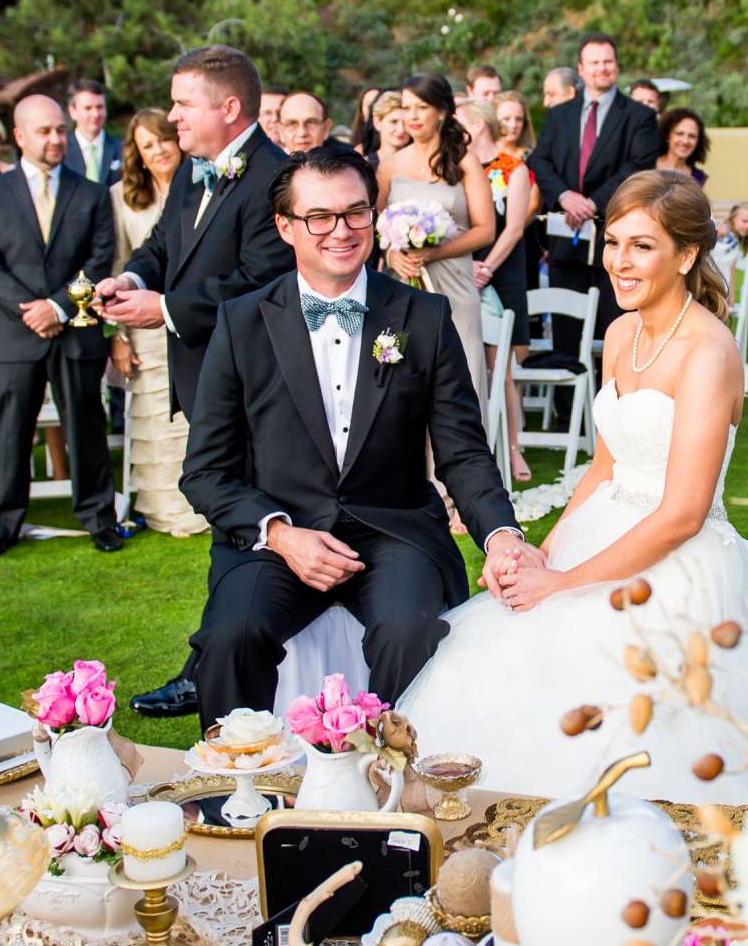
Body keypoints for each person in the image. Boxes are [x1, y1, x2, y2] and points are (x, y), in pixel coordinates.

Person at [401, 172, 748, 803]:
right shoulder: (622, 332)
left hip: (677, 562)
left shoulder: (707, 354)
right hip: (598, 528)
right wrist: (543, 552)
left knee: (632, 718)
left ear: (686, 255)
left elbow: (683, 513)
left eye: (641, 245)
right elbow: (604, 465)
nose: (619, 261)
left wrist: (560, 584)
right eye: (613, 243)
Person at [178, 140, 529, 724]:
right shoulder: (241, 323)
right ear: (286, 227)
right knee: (228, 639)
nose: (340, 230)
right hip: (277, 541)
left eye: (355, 212)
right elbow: (206, 473)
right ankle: (236, 799)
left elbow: (464, 452)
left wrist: (500, 535)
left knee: (411, 632)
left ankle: (396, 796)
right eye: (318, 216)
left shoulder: (424, 318)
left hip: (394, 532)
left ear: (373, 214)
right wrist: (282, 534)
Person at [95, 45, 297, 718]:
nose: (173, 115)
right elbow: (163, 246)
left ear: (228, 106)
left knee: (237, 514)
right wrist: (132, 278)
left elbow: (262, 282)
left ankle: (209, 666)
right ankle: (214, 658)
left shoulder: (277, 177)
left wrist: (167, 309)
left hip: (255, 378)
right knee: (229, 514)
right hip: (201, 373)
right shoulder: (192, 170)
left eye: (183, 102)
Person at [0, 94, 125, 559]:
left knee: (86, 424)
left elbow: (99, 257)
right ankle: (3, 524)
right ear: (18, 136)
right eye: (45, 131)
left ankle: (100, 517)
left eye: (60, 129)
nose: (56, 138)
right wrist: (29, 309)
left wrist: (57, 307)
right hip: (12, 330)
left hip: (74, 326)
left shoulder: (91, 192)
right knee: (11, 429)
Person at [530, 32, 662, 360]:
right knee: (565, 339)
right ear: (581, 68)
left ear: (616, 66)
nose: (601, 68)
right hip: (566, 240)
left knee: (617, 335)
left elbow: (638, 166)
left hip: (616, 243)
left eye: (607, 62)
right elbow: (540, 160)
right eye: (594, 63)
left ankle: (614, 408)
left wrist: (592, 203)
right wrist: (564, 196)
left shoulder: (639, 117)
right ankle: (567, 413)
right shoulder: (559, 114)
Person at [109, 108, 207, 537]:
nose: (158, 150)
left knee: (197, 414)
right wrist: (118, 336)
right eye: (147, 145)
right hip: (143, 328)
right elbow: (120, 264)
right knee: (157, 420)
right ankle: (166, 507)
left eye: (163, 139)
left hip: (192, 319)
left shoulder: (202, 186)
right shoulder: (120, 197)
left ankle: (204, 503)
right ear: (138, 154)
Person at [380, 73, 495, 410]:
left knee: (460, 386)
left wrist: (434, 252)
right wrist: (390, 252)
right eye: (406, 108)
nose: (411, 116)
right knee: (406, 383)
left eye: (422, 107)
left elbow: (485, 229)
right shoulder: (389, 166)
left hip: (455, 288)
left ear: (442, 112)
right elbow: (370, 223)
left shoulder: (465, 162)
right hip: (404, 285)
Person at [470, 97, 538, 481]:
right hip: (462, 274)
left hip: (501, 273)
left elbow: (513, 228)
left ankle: (512, 450)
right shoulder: (458, 167)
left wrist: (486, 269)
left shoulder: (513, 169)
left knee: (502, 370)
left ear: (478, 125)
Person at [62, 80, 123, 191]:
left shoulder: (123, 149)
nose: (95, 114)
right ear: (73, 112)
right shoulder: (62, 152)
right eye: (88, 108)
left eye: (100, 107)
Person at [655, 107, 710, 185]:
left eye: (692, 136)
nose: (685, 141)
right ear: (667, 136)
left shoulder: (698, 177)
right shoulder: (647, 166)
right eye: (679, 134)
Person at [713, 200, 748, 274]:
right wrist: (716, 235)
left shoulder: (737, 241)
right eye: (744, 221)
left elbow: (731, 271)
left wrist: (731, 285)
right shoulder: (722, 233)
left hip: (723, 283)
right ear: (733, 218)